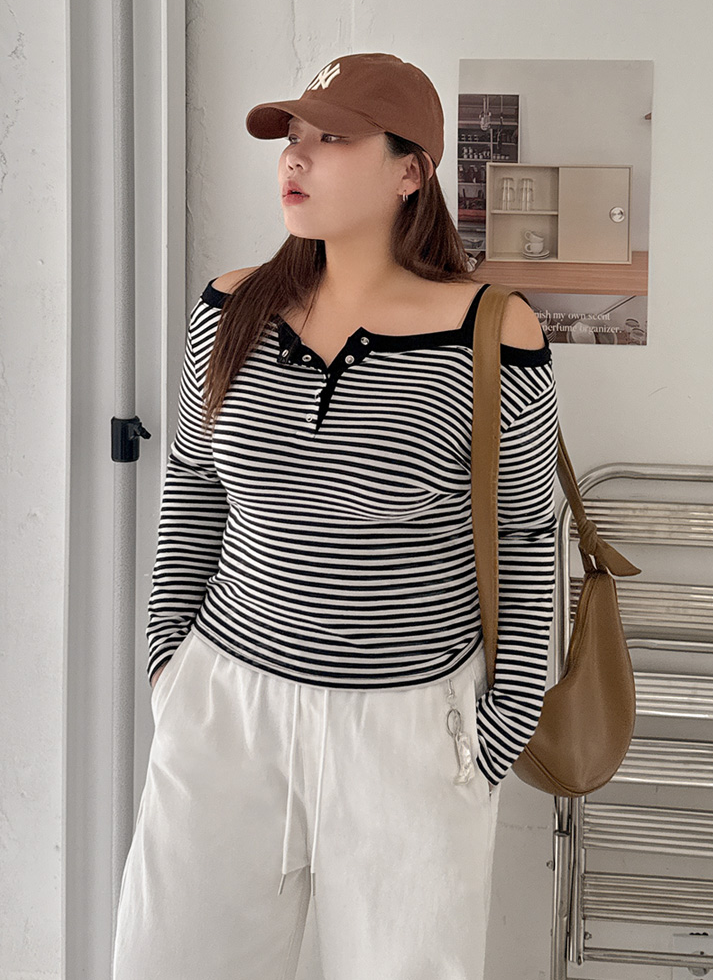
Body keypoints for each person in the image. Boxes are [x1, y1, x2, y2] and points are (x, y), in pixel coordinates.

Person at [112, 52, 560, 980]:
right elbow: (192, 481)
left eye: (333, 137)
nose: (296, 156)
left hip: (408, 729)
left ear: (410, 172)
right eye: (292, 135)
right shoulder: (231, 307)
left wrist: (502, 724)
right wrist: (168, 662)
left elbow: (526, 535)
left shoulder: (493, 330)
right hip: (225, 709)